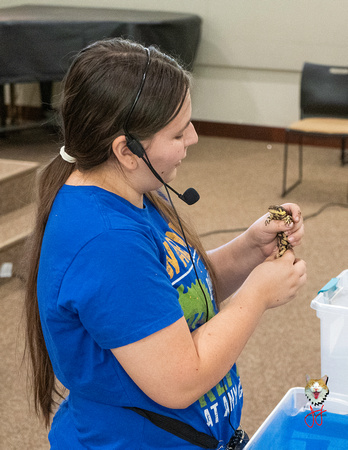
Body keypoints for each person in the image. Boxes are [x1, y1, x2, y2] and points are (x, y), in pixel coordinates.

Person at [24, 38, 306, 449]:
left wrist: (250, 249)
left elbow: (173, 291)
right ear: (127, 151)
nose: (192, 137)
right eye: (177, 132)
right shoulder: (108, 242)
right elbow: (180, 380)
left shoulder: (130, 192)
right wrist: (257, 295)